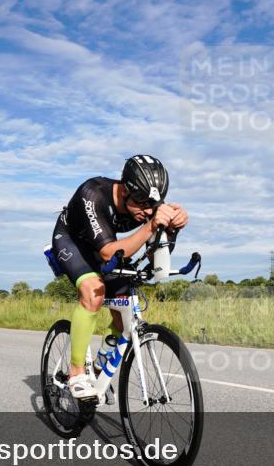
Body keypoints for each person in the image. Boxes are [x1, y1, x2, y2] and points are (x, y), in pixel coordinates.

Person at [51, 155, 188, 398]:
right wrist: (152, 226)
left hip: (109, 244)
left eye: (152, 205)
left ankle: (99, 366)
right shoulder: (92, 194)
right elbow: (106, 252)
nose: (148, 211)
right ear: (125, 190)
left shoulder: (146, 200)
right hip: (73, 242)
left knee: (123, 306)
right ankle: (76, 372)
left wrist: (172, 227)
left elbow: (151, 253)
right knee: (94, 293)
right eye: (142, 204)